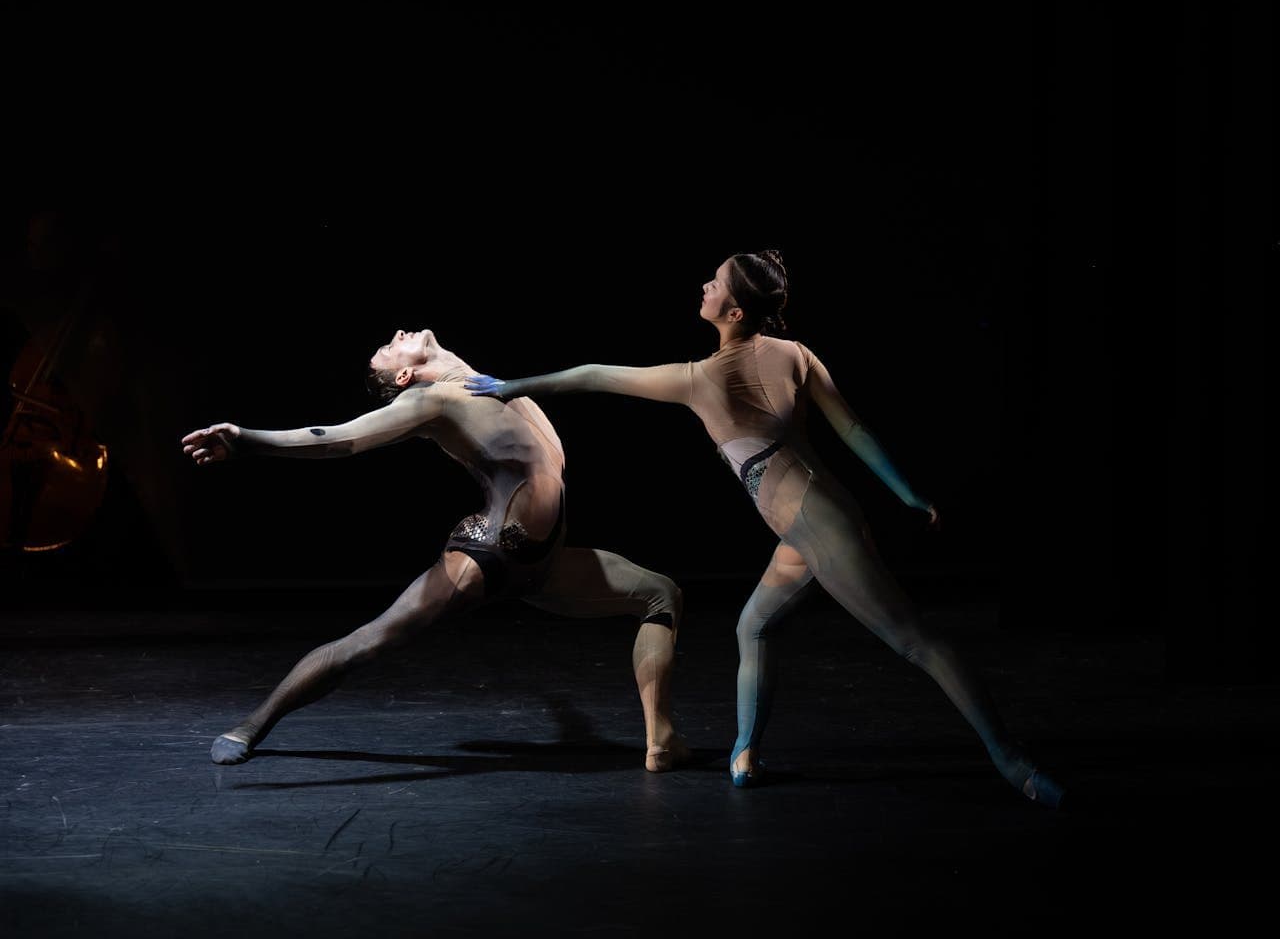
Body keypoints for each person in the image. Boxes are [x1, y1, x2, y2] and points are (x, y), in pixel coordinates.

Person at [465, 250, 1066, 807]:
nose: (703, 285)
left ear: (732, 310)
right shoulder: (795, 354)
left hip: (820, 527)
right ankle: (745, 756)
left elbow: (595, 374)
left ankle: (1014, 762)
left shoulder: (699, 378)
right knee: (753, 624)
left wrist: (514, 386)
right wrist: (905, 493)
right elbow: (852, 430)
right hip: (812, 523)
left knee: (914, 641)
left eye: (714, 282)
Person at [181, 327, 688, 773]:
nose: (398, 334)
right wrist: (248, 439)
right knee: (369, 642)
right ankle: (250, 726)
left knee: (661, 596)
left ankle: (659, 741)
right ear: (403, 379)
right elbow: (337, 439)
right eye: (388, 348)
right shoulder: (429, 402)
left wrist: (563, 713)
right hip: (486, 556)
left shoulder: (493, 386)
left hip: (548, 563)